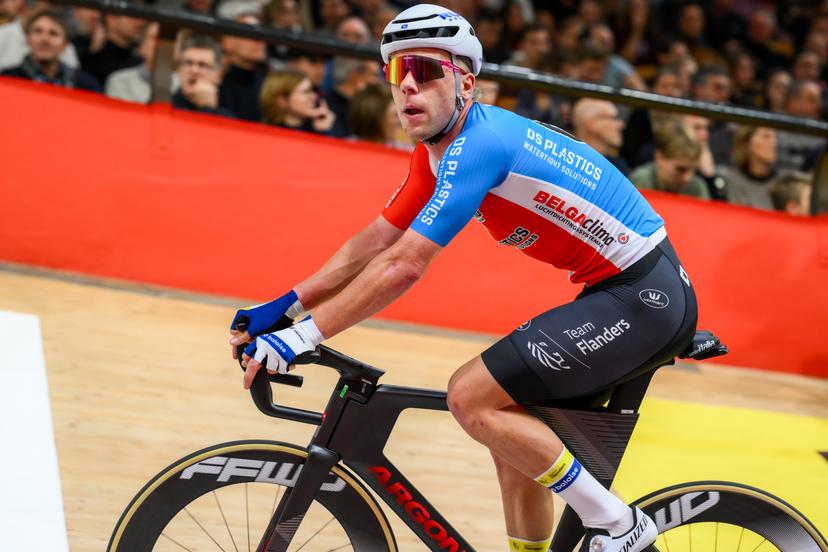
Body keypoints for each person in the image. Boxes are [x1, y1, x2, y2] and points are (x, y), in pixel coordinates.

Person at [230, 6, 697, 552]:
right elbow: (377, 240)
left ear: (465, 83)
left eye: (425, 71)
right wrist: (286, 307)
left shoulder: (480, 144)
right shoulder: (436, 152)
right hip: (622, 293)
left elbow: (403, 264)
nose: (408, 85)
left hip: (643, 297)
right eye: (397, 72)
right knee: (509, 434)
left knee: (469, 397)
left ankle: (621, 526)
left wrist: (303, 336)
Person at [1, 8, 100, 92]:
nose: (45, 39)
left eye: (53, 33)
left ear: (66, 44)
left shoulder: (86, 85)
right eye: (38, 31)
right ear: (27, 39)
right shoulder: (7, 80)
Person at [629, 121, 711, 200]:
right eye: (680, 169)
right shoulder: (641, 181)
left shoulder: (697, 188)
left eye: (693, 170)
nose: (687, 178)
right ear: (659, 158)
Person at [718, 126, 781, 210]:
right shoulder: (730, 181)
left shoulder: (783, 183)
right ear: (747, 142)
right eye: (766, 136)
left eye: (775, 137)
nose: (774, 142)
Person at [219, 12, 267, 122]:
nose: (259, 41)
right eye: (250, 34)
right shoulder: (217, 83)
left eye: (262, 34)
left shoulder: (268, 85)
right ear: (228, 41)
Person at [172, 34, 234, 117]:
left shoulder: (228, 120)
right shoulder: (164, 108)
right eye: (189, 63)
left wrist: (208, 109)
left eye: (203, 65)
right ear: (179, 70)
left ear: (218, 75)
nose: (194, 70)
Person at [260, 68, 335, 133]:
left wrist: (324, 132)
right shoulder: (263, 133)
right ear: (282, 101)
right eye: (306, 92)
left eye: (312, 90)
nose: (314, 96)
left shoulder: (320, 126)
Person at [80, 12, 145, 85]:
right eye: (133, 17)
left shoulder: (140, 62)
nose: (140, 23)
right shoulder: (90, 62)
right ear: (111, 19)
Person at [571, 98, 630, 175]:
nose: (622, 125)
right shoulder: (564, 161)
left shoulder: (617, 167)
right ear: (591, 123)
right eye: (613, 118)